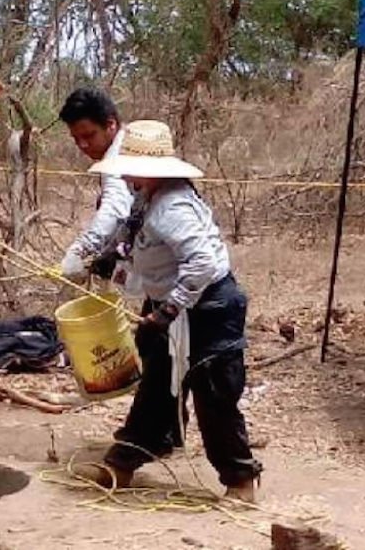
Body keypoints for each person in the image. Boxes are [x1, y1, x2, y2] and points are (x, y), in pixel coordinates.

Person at [73, 120, 262, 502]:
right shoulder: (147, 195)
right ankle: (122, 464)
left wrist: (167, 311)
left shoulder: (173, 206)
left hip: (208, 309)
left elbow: (203, 264)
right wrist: (112, 255)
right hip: (174, 308)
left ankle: (240, 480)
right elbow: (135, 232)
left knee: (214, 398)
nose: (122, 171)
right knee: (156, 388)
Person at [57, 88, 133, 281]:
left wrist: (80, 250)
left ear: (111, 125)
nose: (82, 145)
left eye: (89, 135)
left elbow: (115, 208)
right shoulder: (127, 144)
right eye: (76, 139)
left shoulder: (119, 158)